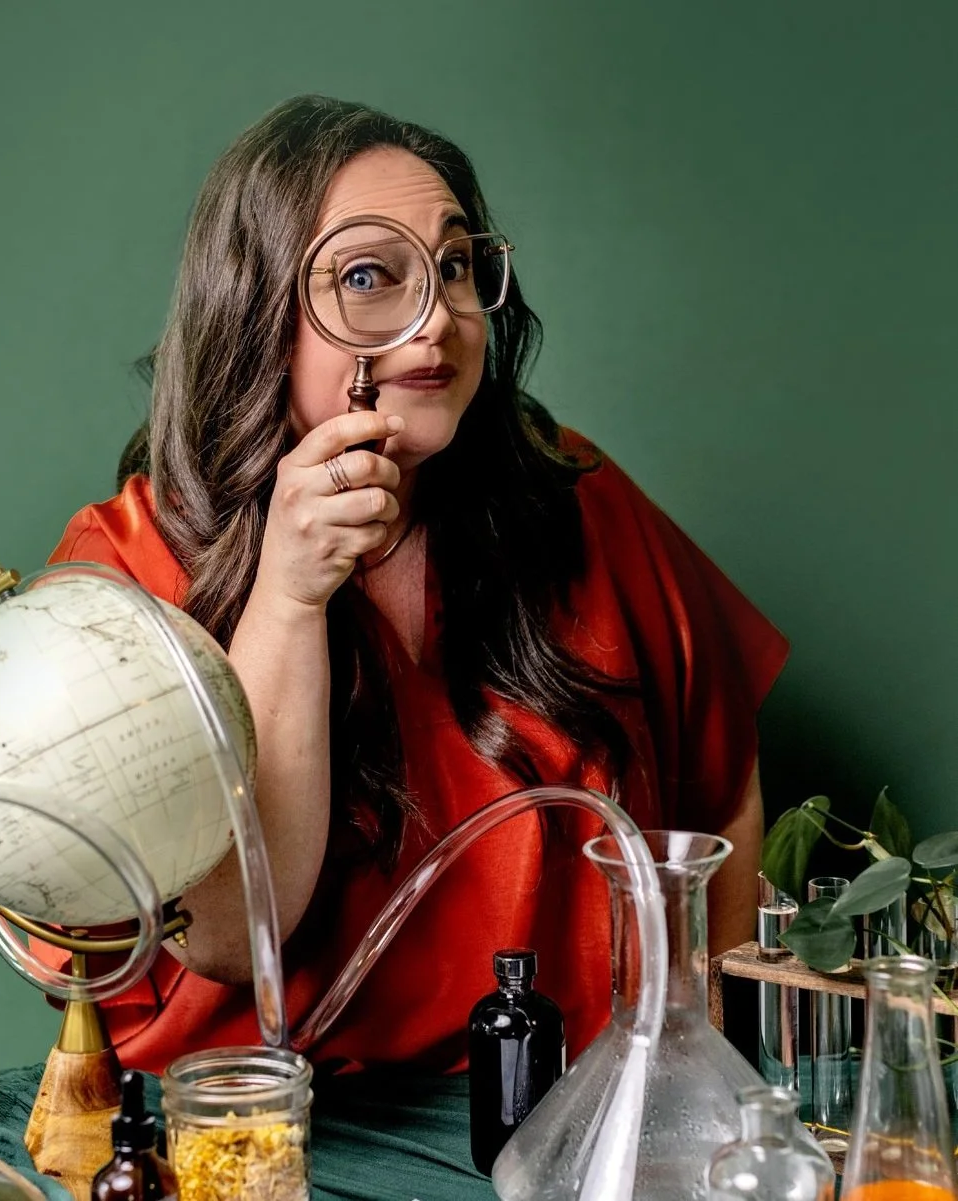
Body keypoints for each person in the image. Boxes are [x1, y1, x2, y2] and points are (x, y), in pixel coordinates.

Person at [49, 94, 788, 1075]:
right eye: (367, 275)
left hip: (569, 1112)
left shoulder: (575, 499)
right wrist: (287, 596)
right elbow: (234, 937)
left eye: (453, 266)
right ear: (260, 317)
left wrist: (709, 1062)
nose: (437, 318)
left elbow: (721, 782)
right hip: (262, 1130)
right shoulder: (125, 569)